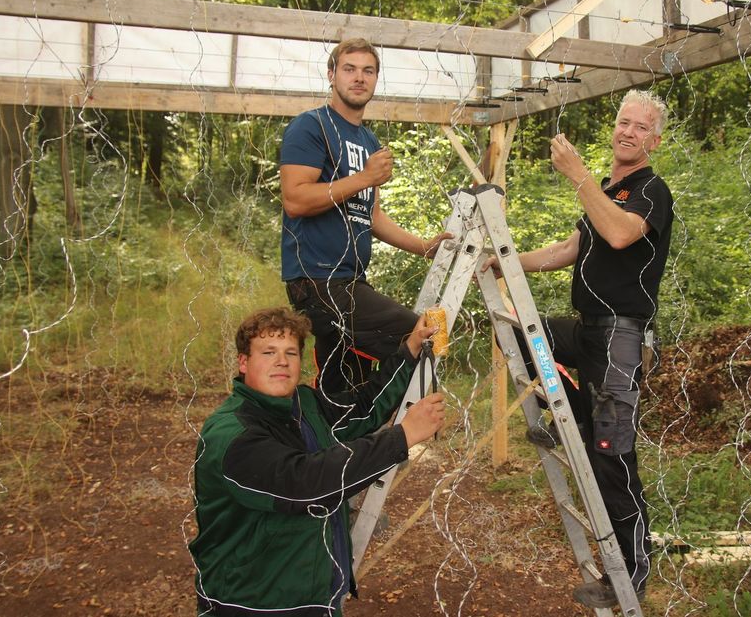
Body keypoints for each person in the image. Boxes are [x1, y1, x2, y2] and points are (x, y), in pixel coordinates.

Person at [483, 89, 673, 609]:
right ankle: (560, 409)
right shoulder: (608, 187)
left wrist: (578, 175)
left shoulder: (652, 190)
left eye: (639, 127)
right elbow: (573, 248)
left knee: (612, 458)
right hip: (589, 329)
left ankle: (632, 575)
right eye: (623, 122)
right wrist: (508, 261)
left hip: (621, 338)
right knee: (524, 332)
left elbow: (616, 235)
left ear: (653, 140)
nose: (627, 131)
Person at [190, 307, 446, 616]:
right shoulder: (232, 435)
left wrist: (410, 350)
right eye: (268, 352)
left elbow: (362, 409)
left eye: (290, 353)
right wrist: (401, 437)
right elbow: (306, 484)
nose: (281, 361)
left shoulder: (303, 404)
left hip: (313, 598)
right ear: (244, 362)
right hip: (252, 604)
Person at [279, 38, 450, 394]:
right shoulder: (310, 127)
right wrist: (365, 177)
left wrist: (424, 247)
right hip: (318, 282)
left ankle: (337, 439)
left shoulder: (368, 141)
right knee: (421, 336)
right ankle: (393, 433)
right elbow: (295, 199)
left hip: (351, 280)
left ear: (376, 79)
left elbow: (370, 215)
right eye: (349, 69)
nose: (359, 78)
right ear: (331, 75)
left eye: (368, 71)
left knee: (344, 388)